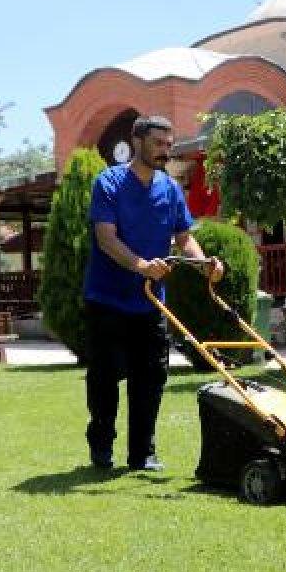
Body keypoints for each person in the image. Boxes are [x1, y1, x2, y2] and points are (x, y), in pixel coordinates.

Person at [82, 115, 223, 471]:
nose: (165, 151)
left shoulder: (170, 188)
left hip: (150, 302)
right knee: (105, 377)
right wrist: (141, 265)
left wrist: (204, 264)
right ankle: (102, 442)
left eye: (169, 145)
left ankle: (142, 453)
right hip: (107, 299)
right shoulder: (109, 182)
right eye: (158, 144)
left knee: (151, 377)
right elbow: (106, 238)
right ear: (138, 141)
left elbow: (184, 238)